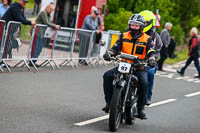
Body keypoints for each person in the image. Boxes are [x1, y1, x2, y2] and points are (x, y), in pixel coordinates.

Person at [102, 14, 156, 119]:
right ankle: (109, 103)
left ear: (141, 27)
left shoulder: (147, 39)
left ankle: (140, 109)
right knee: (107, 76)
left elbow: (151, 51)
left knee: (144, 83)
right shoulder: (124, 35)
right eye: (132, 25)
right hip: (124, 64)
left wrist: (151, 59)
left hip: (139, 67)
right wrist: (109, 53)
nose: (133, 27)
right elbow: (116, 47)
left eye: (136, 25)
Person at [0, 0, 36, 67]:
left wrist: (29, 22)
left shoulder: (21, 7)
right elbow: (19, 18)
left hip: (9, 30)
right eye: (24, 1)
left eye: (26, 2)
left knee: (5, 46)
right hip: (4, 28)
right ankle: (1, 61)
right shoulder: (15, 6)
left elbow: (23, 18)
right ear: (19, 0)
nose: (25, 3)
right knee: (2, 45)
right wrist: (30, 23)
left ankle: (2, 61)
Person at [139, 10, 163, 105]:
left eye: (146, 23)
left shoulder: (156, 37)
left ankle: (148, 96)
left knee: (149, 73)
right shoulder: (136, 32)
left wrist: (152, 59)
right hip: (135, 60)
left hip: (149, 62)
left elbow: (157, 51)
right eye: (142, 22)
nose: (143, 25)